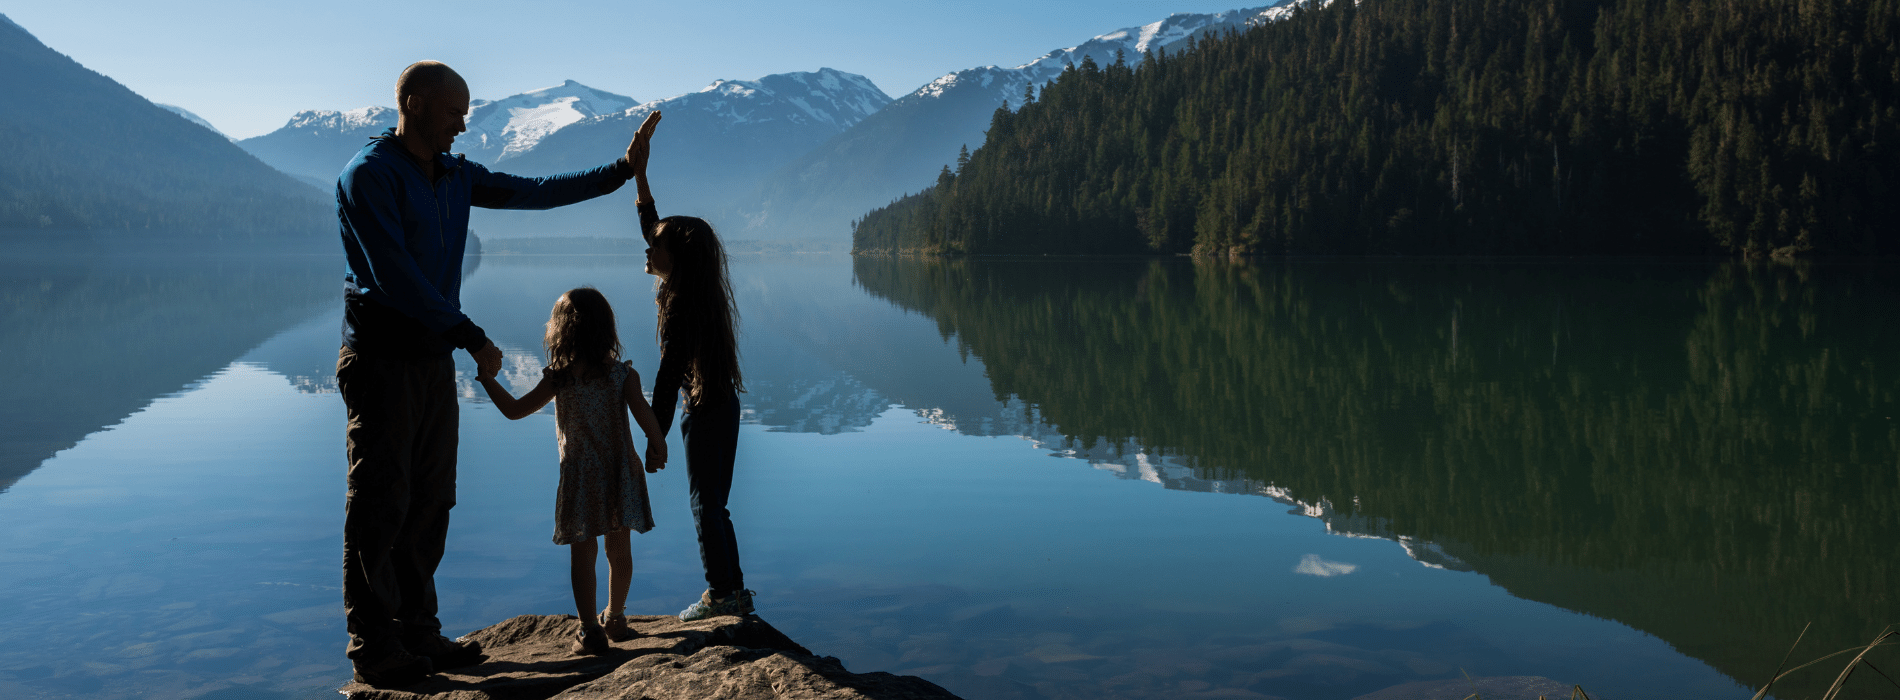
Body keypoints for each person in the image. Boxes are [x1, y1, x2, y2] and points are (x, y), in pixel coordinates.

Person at [336, 60, 648, 687]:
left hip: (431, 360)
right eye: (455, 112)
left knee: (431, 498)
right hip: (383, 359)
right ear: (417, 103)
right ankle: (374, 647)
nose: (463, 123)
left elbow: (535, 191)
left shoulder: (454, 175)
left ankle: (419, 631)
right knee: (381, 501)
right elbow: (392, 276)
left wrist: (621, 173)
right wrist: (470, 335)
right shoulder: (368, 176)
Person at [474, 286, 667, 655]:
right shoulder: (623, 375)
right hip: (619, 470)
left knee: (584, 551)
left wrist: (487, 380)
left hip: (581, 475)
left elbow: (515, 411)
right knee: (619, 548)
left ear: (559, 332)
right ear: (607, 329)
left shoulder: (559, 377)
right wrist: (659, 445)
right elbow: (645, 414)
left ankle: (589, 629)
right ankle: (617, 618)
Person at [632, 112, 755, 621]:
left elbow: (667, 373)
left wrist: (655, 436)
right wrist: (638, 175)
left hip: (702, 411)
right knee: (715, 505)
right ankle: (734, 593)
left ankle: (722, 594)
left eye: (655, 245)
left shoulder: (681, 304)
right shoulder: (693, 290)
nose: (647, 246)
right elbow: (653, 227)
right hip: (719, 405)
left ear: (674, 256)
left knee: (705, 506)